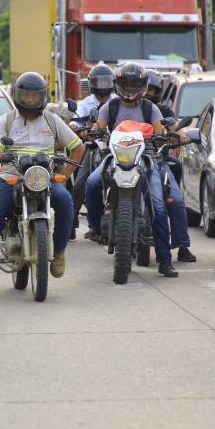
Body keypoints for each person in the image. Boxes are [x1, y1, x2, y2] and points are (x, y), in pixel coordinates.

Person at [0, 72, 85, 296]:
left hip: (43, 177)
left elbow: (78, 147)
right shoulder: (7, 120)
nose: (29, 100)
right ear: (17, 95)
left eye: (34, 96)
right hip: (12, 176)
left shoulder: (52, 119)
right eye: (25, 95)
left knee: (66, 201)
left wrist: (65, 175)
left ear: (41, 97)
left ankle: (58, 252)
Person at [84, 63, 195, 278]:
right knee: (91, 182)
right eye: (126, 83)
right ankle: (96, 227)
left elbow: (161, 129)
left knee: (159, 207)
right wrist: (92, 131)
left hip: (147, 158)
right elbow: (98, 126)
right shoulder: (110, 107)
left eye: (135, 83)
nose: (130, 87)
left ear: (143, 86)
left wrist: (171, 134)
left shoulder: (149, 108)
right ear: (118, 84)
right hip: (115, 156)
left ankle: (164, 261)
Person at [144, 69, 194, 262]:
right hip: (128, 161)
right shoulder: (128, 109)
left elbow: (176, 128)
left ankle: (182, 246)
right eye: (145, 89)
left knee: (177, 201)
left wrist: (182, 137)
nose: (148, 93)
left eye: (152, 90)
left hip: (158, 161)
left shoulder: (163, 110)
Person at [69, 63, 116, 237]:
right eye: (100, 82)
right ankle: (72, 225)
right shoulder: (85, 103)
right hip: (93, 145)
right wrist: (75, 127)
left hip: (116, 147)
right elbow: (75, 120)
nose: (103, 86)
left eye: (106, 81)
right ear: (91, 83)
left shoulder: (118, 101)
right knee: (81, 183)